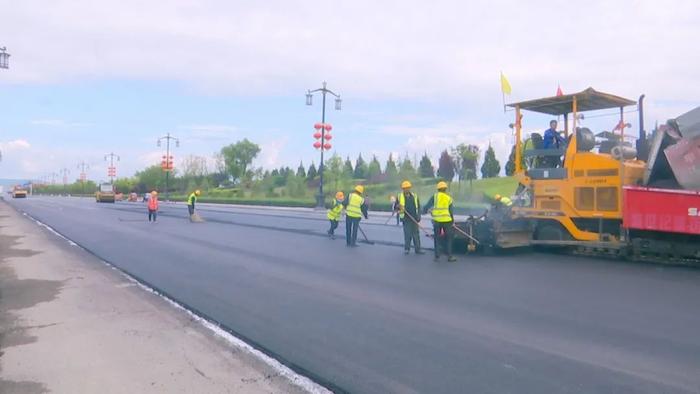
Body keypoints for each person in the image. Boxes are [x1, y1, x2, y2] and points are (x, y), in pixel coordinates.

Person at [423, 181, 456, 262]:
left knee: (437, 238)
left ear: (438, 189)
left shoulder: (435, 196)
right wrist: (452, 221)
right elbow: (451, 211)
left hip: (437, 221)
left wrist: (424, 211)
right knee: (448, 238)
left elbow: (427, 206)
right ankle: (450, 256)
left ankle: (437, 256)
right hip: (447, 221)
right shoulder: (449, 198)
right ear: (445, 189)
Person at [397, 180, 424, 255]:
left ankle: (418, 249)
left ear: (410, 188)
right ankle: (407, 249)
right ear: (403, 189)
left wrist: (419, 216)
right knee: (407, 234)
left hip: (414, 218)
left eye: (407, 188)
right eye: (405, 188)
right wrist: (398, 207)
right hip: (406, 218)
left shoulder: (415, 196)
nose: (406, 189)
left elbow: (418, 207)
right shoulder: (399, 196)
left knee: (416, 234)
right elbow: (396, 208)